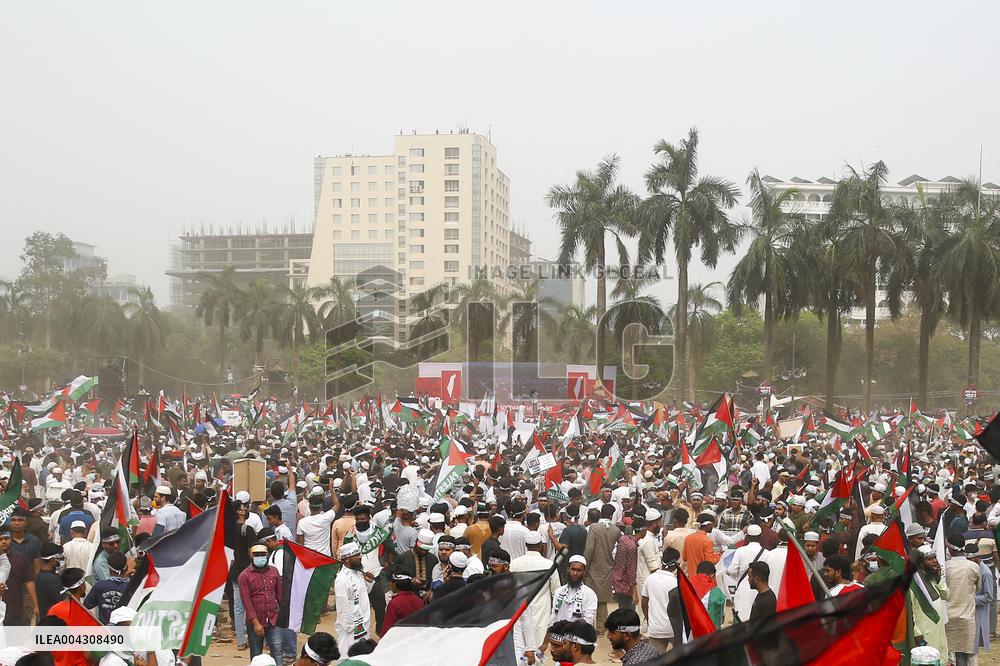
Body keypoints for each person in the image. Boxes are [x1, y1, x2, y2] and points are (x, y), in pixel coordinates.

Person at [511, 530, 560, 658]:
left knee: (520, 651)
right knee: (538, 652)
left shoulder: (515, 563)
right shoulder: (549, 565)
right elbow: (557, 592)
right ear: (540, 546)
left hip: (520, 611)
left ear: (526, 545)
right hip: (541, 612)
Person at [238, 543, 283, 662]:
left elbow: (279, 595)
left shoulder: (274, 571)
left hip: (273, 620)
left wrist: (282, 615)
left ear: (267, 555)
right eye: (257, 555)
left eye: (262, 554)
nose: (260, 557)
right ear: (251, 556)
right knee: (256, 654)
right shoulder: (244, 576)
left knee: (277, 651)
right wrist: (256, 623)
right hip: (255, 622)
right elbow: (247, 603)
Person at [583, 506, 619, 632]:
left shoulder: (594, 527)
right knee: (602, 600)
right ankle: (601, 627)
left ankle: (587, 626)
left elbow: (589, 549)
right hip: (607, 567)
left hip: (593, 566)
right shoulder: (616, 530)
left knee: (589, 598)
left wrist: (584, 566)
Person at [334, 541, 374, 656]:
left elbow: (363, 593)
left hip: (363, 624)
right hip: (351, 629)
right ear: (346, 559)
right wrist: (351, 628)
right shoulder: (342, 580)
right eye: (356, 555)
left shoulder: (358, 572)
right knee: (348, 656)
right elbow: (343, 607)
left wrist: (368, 582)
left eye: (359, 554)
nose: (359, 557)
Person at [945, 535, 980, 666]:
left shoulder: (945, 566)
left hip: (948, 616)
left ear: (950, 548)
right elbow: (978, 588)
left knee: (951, 655)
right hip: (967, 617)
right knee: (970, 654)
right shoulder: (974, 567)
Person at [910, 545, 949, 661]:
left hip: (939, 631)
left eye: (935, 558)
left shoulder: (932, 578)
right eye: (930, 559)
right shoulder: (913, 583)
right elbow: (909, 610)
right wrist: (916, 633)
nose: (935, 561)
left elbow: (946, 595)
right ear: (921, 564)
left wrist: (939, 578)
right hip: (924, 633)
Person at [641, 548, 680, 655]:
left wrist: (649, 621)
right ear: (675, 565)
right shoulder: (676, 582)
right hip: (673, 629)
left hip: (655, 628)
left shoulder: (650, 579)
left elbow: (644, 604)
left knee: (656, 660)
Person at [727, 523, 766, 622]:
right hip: (760, 590)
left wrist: (739, 578)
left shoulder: (740, 551)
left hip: (743, 589)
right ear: (761, 537)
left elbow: (732, 570)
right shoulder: (766, 553)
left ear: (747, 537)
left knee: (741, 617)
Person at [83, 551, 129, 624]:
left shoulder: (100, 586)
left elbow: (86, 605)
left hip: (105, 627)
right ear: (126, 568)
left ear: (109, 569)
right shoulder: (131, 587)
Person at [382, 571, 423, 635]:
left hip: (400, 638)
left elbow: (387, 628)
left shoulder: (394, 603)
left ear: (395, 584)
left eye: (391, 582)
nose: (390, 584)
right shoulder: (419, 601)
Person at [36, 543, 65, 617]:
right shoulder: (52, 580)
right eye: (60, 559)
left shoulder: (39, 576)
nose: (61, 561)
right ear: (52, 560)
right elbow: (62, 601)